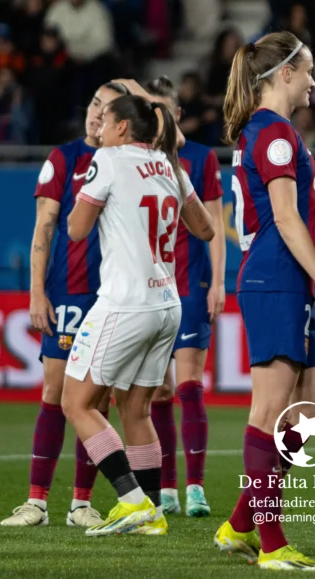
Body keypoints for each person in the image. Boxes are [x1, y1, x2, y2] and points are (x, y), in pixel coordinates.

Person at [212, 31, 315, 572]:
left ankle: (242, 523)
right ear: (284, 73)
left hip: (287, 281)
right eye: (310, 70)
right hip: (277, 278)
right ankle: (271, 545)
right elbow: (287, 219)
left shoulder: (272, 131)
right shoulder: (273, 133)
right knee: (270, 412)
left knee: (314, 411)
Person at [61, 93, 215, 537]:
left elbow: (76, 229)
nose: (99, 129)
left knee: (77, 401)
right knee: (137, 408)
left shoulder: (108, 159)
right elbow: (204, 229)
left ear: (123, 128)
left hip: (125, 302)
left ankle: (132, 502)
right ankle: (153, 513)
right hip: (168, 304)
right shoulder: (172, 166)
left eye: (105, 121)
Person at [1, 79, 137, 528]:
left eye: (108, 106)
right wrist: (37, 292)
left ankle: (82, 503)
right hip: (70, 295)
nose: (97, 112)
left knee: (94, 402)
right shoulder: (64, 159)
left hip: (113, 297)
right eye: (94, 102)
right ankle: (36, 503)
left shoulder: (128, 160)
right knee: (55, 395)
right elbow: (44, 228)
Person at [145, 76, 226, 518]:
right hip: (150, 290)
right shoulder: (139, 160)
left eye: (161, 108)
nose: (155, 117)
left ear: (176, 113)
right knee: (159, 392)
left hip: (190, 284)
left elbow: (215, 225)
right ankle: (168, 489)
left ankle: (195, 487)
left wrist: (217, 282)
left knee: (190, 386)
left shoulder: (201, 158)